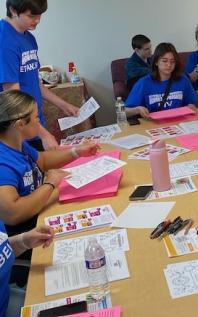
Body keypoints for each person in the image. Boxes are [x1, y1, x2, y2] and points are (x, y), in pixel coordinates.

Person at [0, 90, 99, 232]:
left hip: (38, 213)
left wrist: (77, 152)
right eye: (36, 118)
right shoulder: (3, 164)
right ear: (20, 125)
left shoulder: (17, 143)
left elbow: (42, 160)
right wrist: (50, 183)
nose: (39, 121)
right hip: (23, 234)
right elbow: (13, 214)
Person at [0, 0, 79, 151]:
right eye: (31, 16)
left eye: (40, 15)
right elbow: (13, 97)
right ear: (13, 10)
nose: (37, 20)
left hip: (34, 121)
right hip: (18, 127)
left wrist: (63, 104)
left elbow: (34, 82)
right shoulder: (4, 41)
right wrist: (43, 134)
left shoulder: (29, 38)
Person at [125, 42, 198, 119]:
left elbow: (192, 103)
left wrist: (191, 106)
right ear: (156, 62)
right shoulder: (143, 83)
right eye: (164, 61)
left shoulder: (183, 80)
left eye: (172, 61)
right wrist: (137, 110)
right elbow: (124, 111)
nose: (169, 65)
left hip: (178, 122)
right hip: (153, 125)